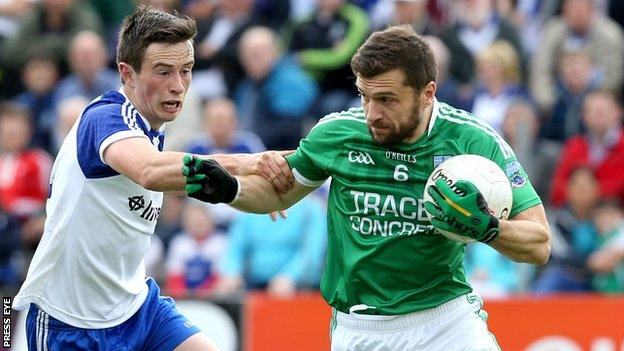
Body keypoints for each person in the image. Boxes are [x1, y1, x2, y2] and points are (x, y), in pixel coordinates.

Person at [182, 25, 551, 350]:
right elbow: (278, 193)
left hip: (445, 324)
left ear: (427, 93)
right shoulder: (338, 132)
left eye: (387, 99)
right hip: (359, 329)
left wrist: (487, 228)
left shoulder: (473, 140)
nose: (372, 112)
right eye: (364, 95)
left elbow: (539, 244)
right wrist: (230, 189)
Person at [12, 7, 291, 351]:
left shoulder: (152, 129)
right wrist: (245, 163)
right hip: (69, 322)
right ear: (127, 73)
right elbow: (149, 171)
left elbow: (188, 178)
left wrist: (255, 190)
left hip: (137, 307)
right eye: (163, 72)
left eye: (186, 71)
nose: (178, 86)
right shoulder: (106, 117)